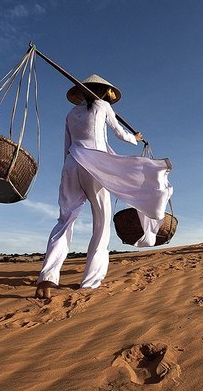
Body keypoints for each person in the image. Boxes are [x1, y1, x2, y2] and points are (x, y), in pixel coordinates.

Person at [35, 75, 173, 299]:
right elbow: (119, 133)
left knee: (65, 220)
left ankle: (47, 278)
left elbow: (66, 146)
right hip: (95, 163)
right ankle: (90, 281)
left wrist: (67, 171)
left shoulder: (70, 114)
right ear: (102, 91)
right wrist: (135, 138)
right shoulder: (103, 105)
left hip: (71, 164)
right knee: (101, 222)